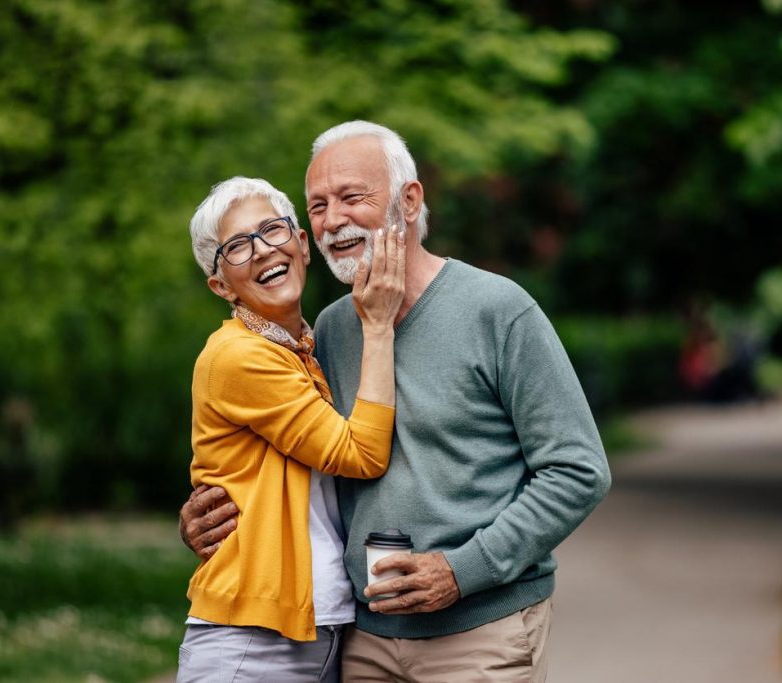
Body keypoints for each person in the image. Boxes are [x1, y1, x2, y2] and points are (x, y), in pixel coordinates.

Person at [181, 122, 611, 681]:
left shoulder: (498, 310)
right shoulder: (327, 332)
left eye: (352, 197)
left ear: (409, 201)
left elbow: (578, 470)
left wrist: (462, 570)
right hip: (363, 640)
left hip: (479, 631)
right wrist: (214, 513)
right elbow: (289, 457)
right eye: (317, 206)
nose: (334, 219)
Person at [178, 176, 405, 682]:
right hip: (252, 643)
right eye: (237, 247)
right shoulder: (240, 355)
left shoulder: (307, 345)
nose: (261, 251)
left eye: (271, 231)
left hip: (318, 629)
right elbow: (362, 454)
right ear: (220, 285)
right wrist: (379, 325)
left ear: (301, 244)